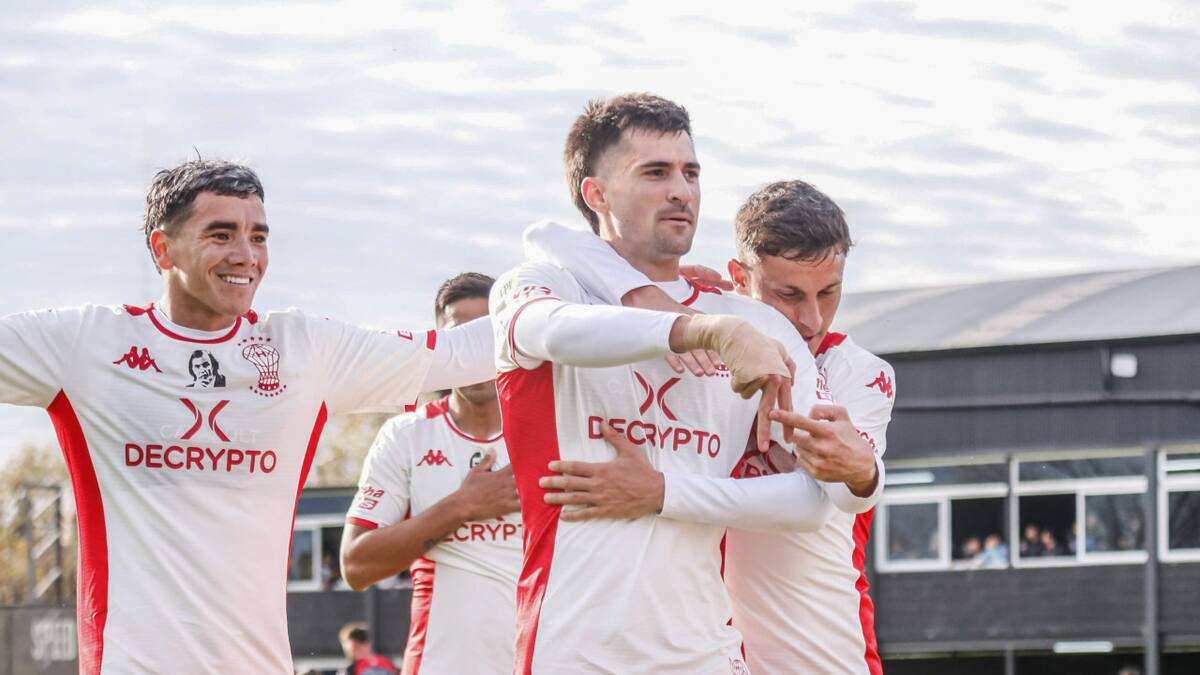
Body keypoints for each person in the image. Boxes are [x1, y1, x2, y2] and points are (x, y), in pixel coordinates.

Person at [0, 160, 494, 673]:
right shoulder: (88, 344)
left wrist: (552, 291)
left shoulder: (304, 350)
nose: (245, 255)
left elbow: (465, 353)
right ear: (162, 249)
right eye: (221, 234)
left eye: (258, 237)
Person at [492, 93, 881, 674]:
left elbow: (812, 500)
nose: (682, 190)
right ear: (596, 194)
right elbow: (549, 332)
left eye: (690, 173)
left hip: (708, 654)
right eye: (655, 172)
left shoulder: (758, 324)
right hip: (572, 652)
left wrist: (661, 491)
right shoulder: (545, 285)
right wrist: (699, 331)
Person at [341, 272, 522, 675]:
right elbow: (355, 565)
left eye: (487, 333)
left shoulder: (554, 429)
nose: (474, 352)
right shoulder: (407, 435)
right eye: (461, 337)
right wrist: (462, 506)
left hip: (550, 660)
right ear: (441, 346)